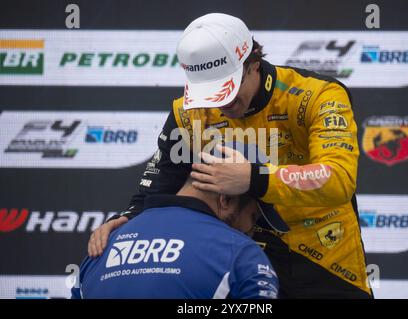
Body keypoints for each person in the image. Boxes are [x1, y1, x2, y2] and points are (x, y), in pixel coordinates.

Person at [89, 13, 372, 298]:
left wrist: (254, 179)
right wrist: (126, 219)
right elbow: (156, 188)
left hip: (324, 256)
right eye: (209, 93)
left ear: (253, 64)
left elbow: (339, 178)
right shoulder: (189, 113)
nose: (222, 103)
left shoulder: (316, 95)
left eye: (228, 89)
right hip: (238, 255)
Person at [73, 174, 286, 299]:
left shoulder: (102, 246)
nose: (250, 229)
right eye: (254, 216)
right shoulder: (240, 252)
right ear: (226, 199)